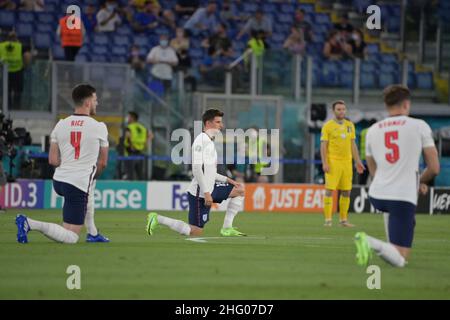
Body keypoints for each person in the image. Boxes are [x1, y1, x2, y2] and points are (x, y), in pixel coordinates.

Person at [354, 85, 440, 267]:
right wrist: (417, 181)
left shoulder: (372, 131)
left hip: (377, 195)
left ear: (386, 105)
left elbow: (373, 170)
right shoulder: (419, 126)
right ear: (406, 104)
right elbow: (434, 168)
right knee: (400, 260)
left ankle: (390, 245)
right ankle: (368, 241)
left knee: (397, 220)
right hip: (401, 196)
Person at [15, 84, 110, 244]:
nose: (97, 103)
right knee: (71, 238)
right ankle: (29, 223)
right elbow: (103, 162)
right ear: (87, 103)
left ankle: (92, 233)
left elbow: (52, 160)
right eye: (95, 100)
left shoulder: (61, 124)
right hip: (77, 183)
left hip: (59, 181)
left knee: (71, 220)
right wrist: (90, 175)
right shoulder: (99, 127)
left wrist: (69, 166)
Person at [146, 109, 246, 237]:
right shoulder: (201, 141)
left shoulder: (209, 141)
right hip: (200, 193)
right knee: (195, 231)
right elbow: (197, 169)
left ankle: (227, 228)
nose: (221, 125)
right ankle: (157, 218)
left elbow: (210, 172)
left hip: (211, 188)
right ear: (208, 123)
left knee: (239, 190)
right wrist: (206, 193)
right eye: (218, 122)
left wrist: (229, 180)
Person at [320, 100, 365, 227]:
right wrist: (325, 162)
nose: (341, 111)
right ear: (333, 111)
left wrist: (358, 162)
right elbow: (323, 146)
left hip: (347, 162)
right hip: (333, 161)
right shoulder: (327, 126)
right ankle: (328, 220)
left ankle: (343, 220)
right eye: (339, 109)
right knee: (329, 190)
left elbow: (353, 144)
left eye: (343, 109)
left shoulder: (350, 125)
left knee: (346, 191)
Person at [0, 32, 26, 109]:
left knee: (6, 91)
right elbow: (27, 56)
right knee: (17, 92)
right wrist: (24, 66)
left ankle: (6, 108)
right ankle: (17, 108)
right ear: (16, 38)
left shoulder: (1, 45)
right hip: (17, 71)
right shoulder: (19, 46)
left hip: (5, 72)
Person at [123, 111, 149, 181]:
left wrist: (132, 146)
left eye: (128, 117)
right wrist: (145, 144)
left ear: (132, 118)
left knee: (130, 174)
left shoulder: (129, 127)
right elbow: (150, 136)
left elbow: (128, 137)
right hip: (140, 153)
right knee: (140, 174)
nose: (127, 118)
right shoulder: (142, 127)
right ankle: (142, 188)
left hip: (130, 153)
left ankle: (130, 189)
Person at [358, 118, 377, 185]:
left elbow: (359, 144)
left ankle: (360, 191)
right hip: (371, 158)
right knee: (373, 177)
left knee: (363, 178)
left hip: (363, 158)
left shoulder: (363, 132)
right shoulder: (374, 131)